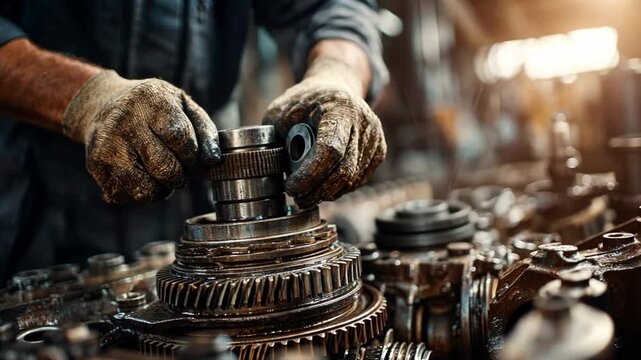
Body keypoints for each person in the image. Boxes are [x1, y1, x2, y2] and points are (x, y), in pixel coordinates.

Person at [0, 1, 388, 282]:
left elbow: (329, 7)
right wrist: (85, 99)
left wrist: (338, 74)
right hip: (35, 226)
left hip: (205, 211)